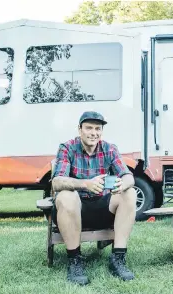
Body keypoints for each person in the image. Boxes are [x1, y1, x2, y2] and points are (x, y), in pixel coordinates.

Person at [51, 111, 137, 286]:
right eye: (89, 128)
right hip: (75, 209)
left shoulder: (110, 149)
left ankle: (118, 258)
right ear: (80, 129)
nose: (93, 133)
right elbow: (57, 182)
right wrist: (85, 184)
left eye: (98, 128)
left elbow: (129, 177)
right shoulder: (67, 148)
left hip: (102, 207)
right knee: (67, 195)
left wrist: (123, 184)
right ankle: (75, 261)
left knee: (130, 192)